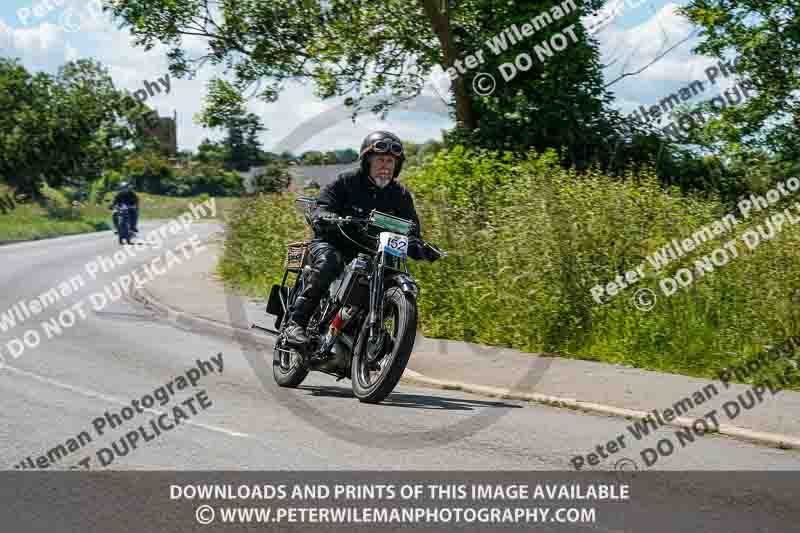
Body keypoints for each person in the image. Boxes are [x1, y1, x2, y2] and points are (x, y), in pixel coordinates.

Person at [284, 131, 440, 347]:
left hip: (371, 252)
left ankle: (366, 330)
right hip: (333, 242)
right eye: (380, 160)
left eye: (390, 161)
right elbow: (321, 206)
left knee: (390, 273)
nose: (385, 166)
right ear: (367, 162)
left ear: (397, 166)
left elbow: (411, 230)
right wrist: (327, 217)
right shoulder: (346, 181)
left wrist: (421, 247)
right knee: (330, 262)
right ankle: (296, 323)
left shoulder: (401, 195)